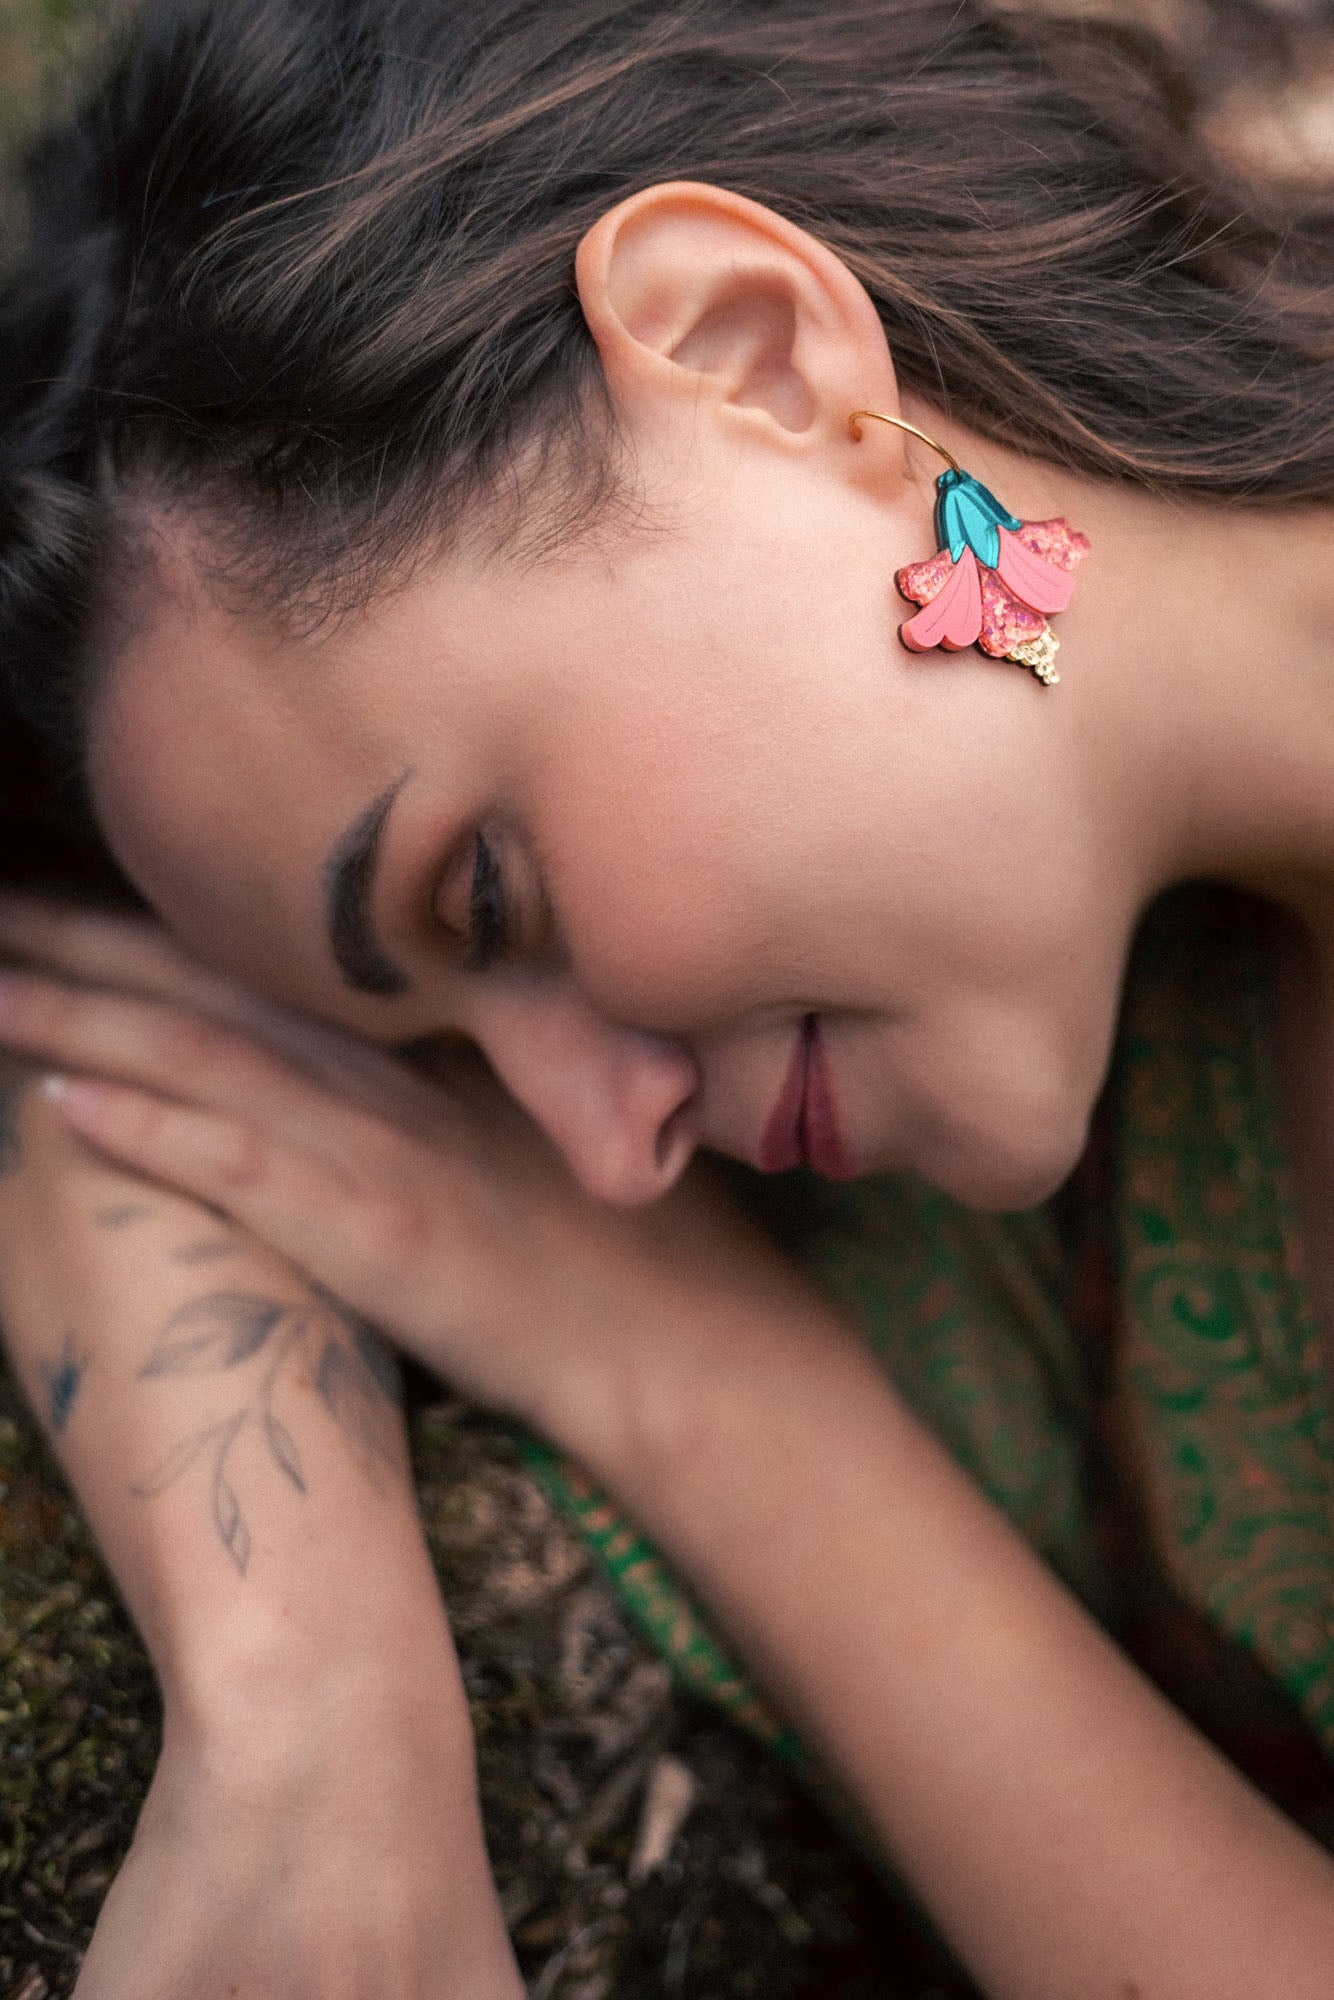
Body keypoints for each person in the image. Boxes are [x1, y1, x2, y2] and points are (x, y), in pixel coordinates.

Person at [2, 0, 1334, 1992]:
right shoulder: (1032, 1060)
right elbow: (114, 1077)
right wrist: (306, 1711)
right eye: (448, 1055)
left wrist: (714, 1399)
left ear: (750, 351)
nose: (595, 1159)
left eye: (492, 893)